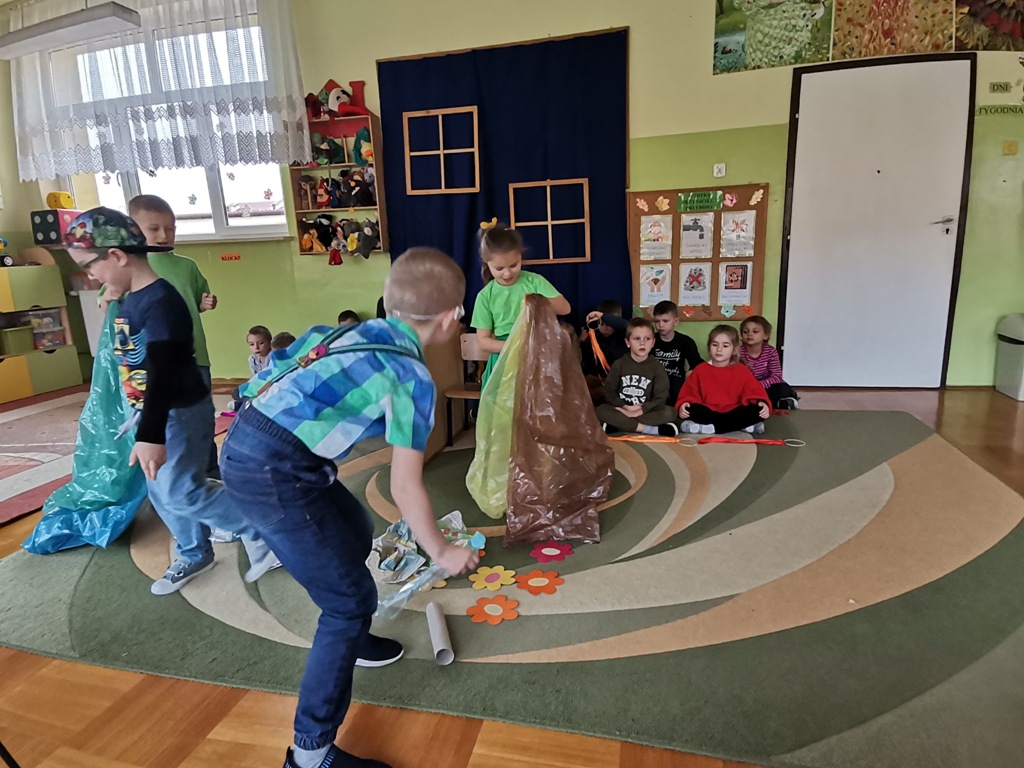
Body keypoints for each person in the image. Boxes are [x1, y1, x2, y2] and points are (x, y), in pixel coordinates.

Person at [219, 248, 480, 768]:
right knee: (346, 603)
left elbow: (273, 372)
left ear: (387, 301)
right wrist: (442, 551)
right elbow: (405, 486)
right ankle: (310, 754)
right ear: (452, 318)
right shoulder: (412, 376)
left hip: (253, 441)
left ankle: (353, 636)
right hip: (274, 471)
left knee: (355, 526)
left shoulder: (347, 332)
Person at [64, 207, 279, 595]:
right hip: (150, 413)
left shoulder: (162, 303)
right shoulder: (132, 300)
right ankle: (195, 552)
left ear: (117, 256)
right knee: (161, 491)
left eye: (89, 266)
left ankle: (265, 526)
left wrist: (150, 435)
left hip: (176, 412)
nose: (91, 276)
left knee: (181, 490)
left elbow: (164, 372)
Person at [129, 194, 220, 474]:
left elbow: (196, 300)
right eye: (154, 229)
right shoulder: (132, 265)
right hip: (151, 361)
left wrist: (205, 303)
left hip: (194, 355)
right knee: (162, 420)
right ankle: (165, 475)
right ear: (134, 230)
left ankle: (209, 471)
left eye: (169, 229)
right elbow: (111, 297)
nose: (163, 235)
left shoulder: (186, 265)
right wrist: (106, 296)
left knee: (200, 419)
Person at [470, 222, 570, 389]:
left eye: (513, 265)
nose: (507, 273)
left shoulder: (534, 281)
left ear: (520, 257)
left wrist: (536, 300)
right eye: (499, 268)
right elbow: (484, 342)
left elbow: (565, 308)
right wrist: (516, 347)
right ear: (487, 263)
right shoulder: (485, 296)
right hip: (504, 361)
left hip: (537, 354)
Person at [676, 325, 771, 435]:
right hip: (708, 411)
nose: (719, 349)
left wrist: (762, 403)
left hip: (734, 411)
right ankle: (740, 426)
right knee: (690, 409)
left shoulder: (741, 370)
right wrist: (684, 404)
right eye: (715, 345)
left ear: (734, 349)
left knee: (758, 410)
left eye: (725, 346)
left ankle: (710, 428)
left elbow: (754, 391)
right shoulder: (700, 369)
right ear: (709, 347)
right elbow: (689, 393)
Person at [595, 318, 678, 436]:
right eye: (637, 339)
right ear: (628, 342)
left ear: (653, 342)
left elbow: (660, 397)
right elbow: (609, 392)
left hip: (645, 411)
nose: (642, 343)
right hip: (623, 410)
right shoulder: (619, 364)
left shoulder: (657, 367)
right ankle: (647, 429)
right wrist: (625, 407)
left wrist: (640, 410)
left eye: (647, 339)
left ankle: (619, 425)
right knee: (601, 410)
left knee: (670, 412)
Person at [740, 315, 799, 409]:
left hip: (765, 385)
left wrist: (760, 385)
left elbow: (777, 376)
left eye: (755, 331)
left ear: (765, 335)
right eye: (745, 332)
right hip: (746, 387)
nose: (749, 334)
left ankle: (782, 402)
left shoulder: (771, 352)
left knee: (783, 389)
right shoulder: (738, 352)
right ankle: (763, 403)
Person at [651, 300, 703, 405]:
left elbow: (697, 363)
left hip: (677, 384)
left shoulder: (685, 341)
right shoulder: (650, 340)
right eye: (657, 321)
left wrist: (690, 374)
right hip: (655, 383)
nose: (660, 325)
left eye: (665, 321)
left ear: (675, 321)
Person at [582, 299, 629, 378]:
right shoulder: (592, 337)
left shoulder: (624, 337)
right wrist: (581, 343)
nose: (605, 328)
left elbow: (630, 326)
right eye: (601, 324)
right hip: (596, 380)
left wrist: (603, 316)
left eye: (610, 325)